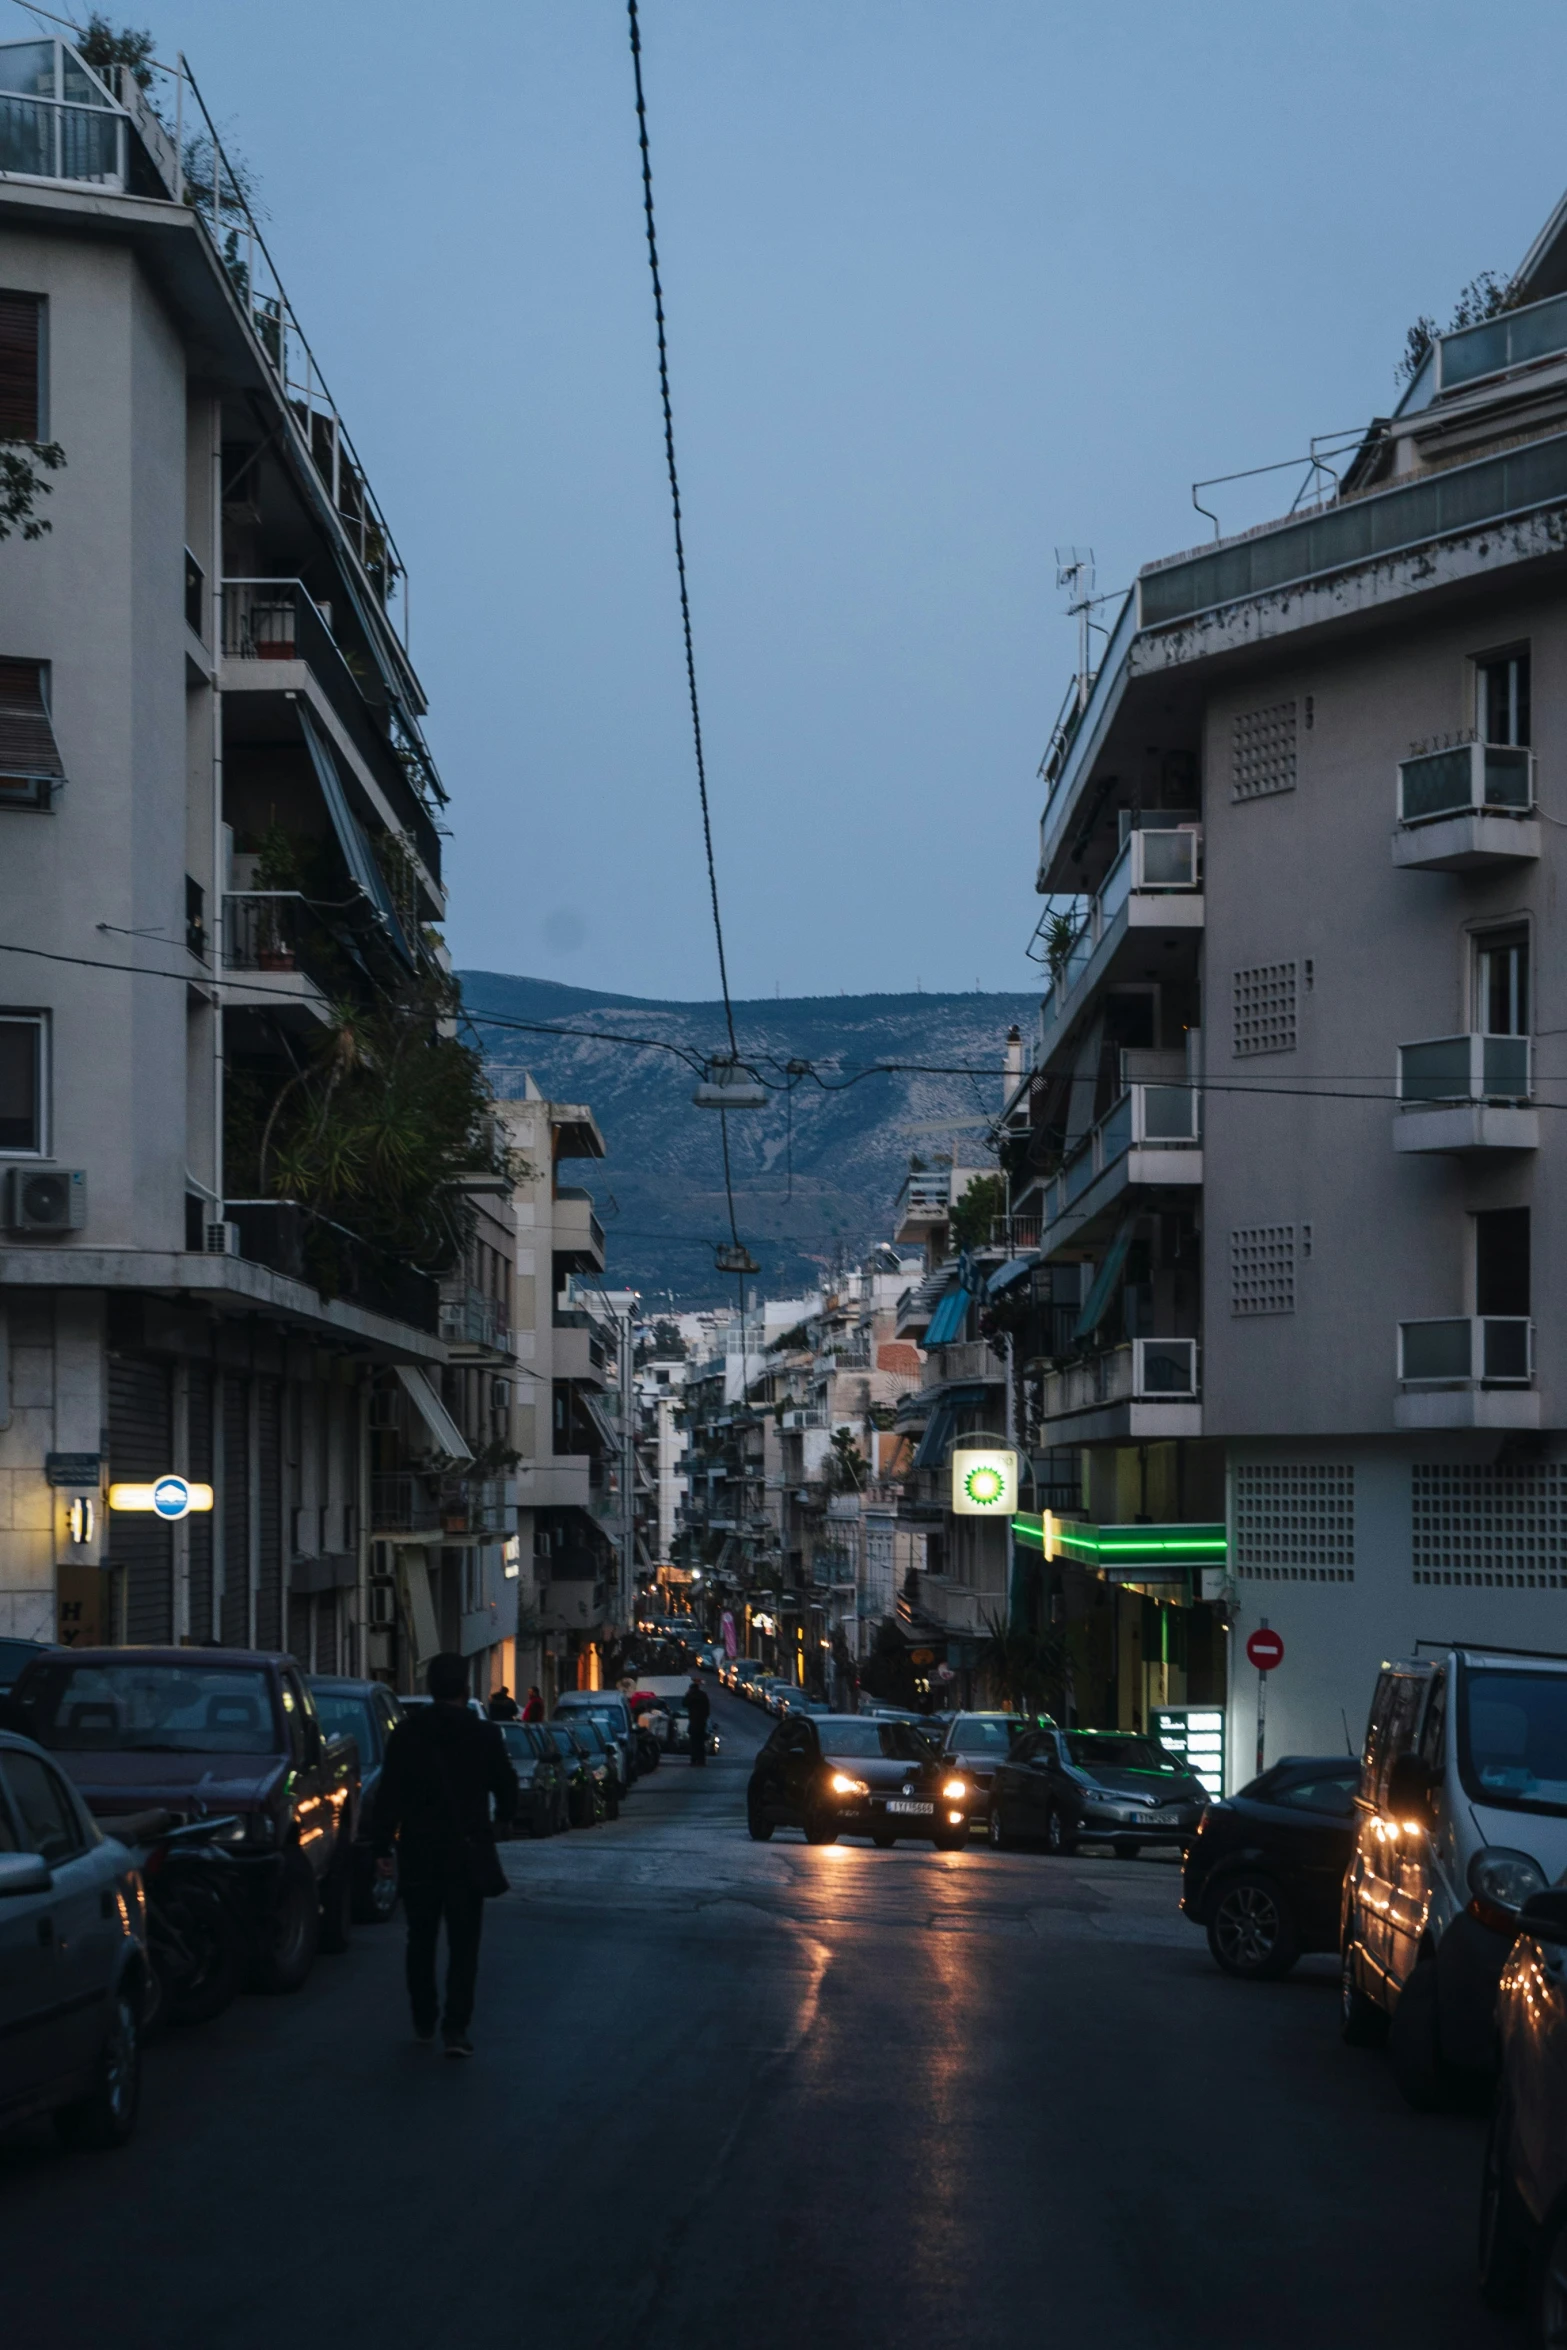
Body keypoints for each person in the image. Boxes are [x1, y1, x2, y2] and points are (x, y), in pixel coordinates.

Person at [372, 1651, 519, 2058]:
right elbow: (506, 1787)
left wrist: (382, 1844)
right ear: (465, 1688)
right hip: (466, 1851)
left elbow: (389, 1795)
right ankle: (455, 2027)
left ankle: (423, 2017)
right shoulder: (485, 1735)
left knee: (419, 1938)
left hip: (419, 1849)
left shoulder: (406, 1734)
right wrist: (503, 1820)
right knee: (464, 1943)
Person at [685, 1672, 711, 1768]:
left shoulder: (690, 1696)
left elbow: (684, 1703)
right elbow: (707, 1709)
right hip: (701, 1722)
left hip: (693, 1722)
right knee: (700, 1743)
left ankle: (694, 1759)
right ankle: (701, 1760)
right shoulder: (703, 1695)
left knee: (693, 1742)